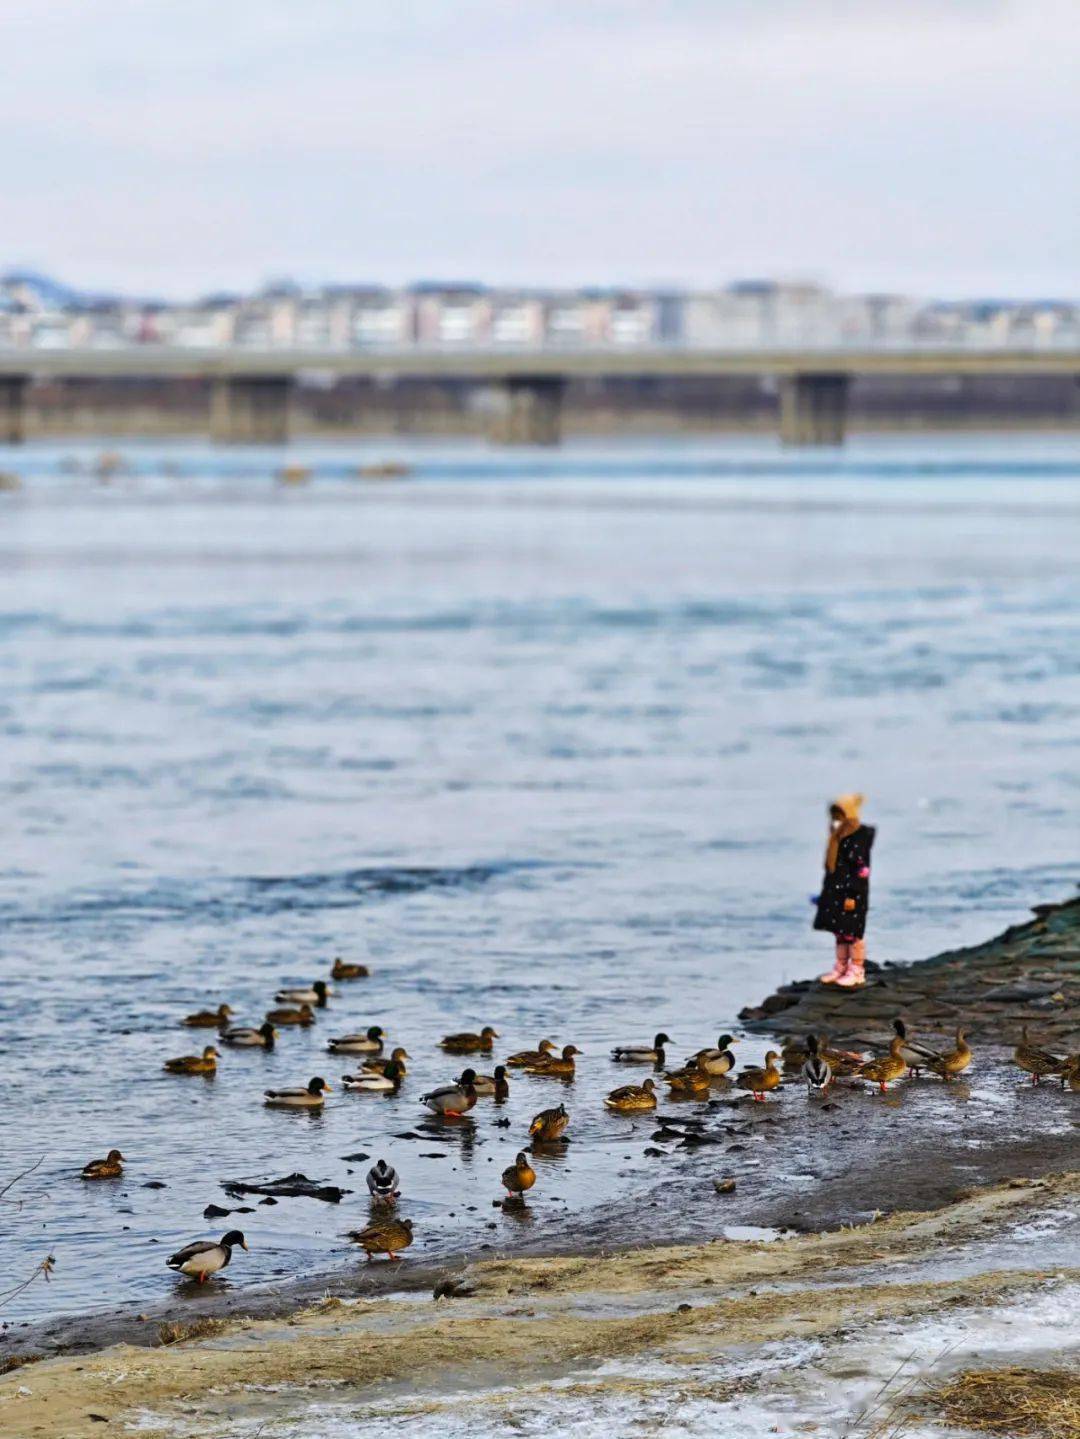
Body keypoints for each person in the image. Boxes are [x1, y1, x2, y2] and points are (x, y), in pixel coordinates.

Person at [813, 793, 874, 988]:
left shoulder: (858, 836)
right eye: (834, 814)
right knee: (840, 931)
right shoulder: (836, 835)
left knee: (853, 932)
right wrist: (825, 896)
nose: (836, 819)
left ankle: (857, 970)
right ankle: (841, 966)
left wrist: (852, 895)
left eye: (840, 814)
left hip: (851, 893)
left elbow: (859, 870)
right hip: (836, 890)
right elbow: (833, 870)